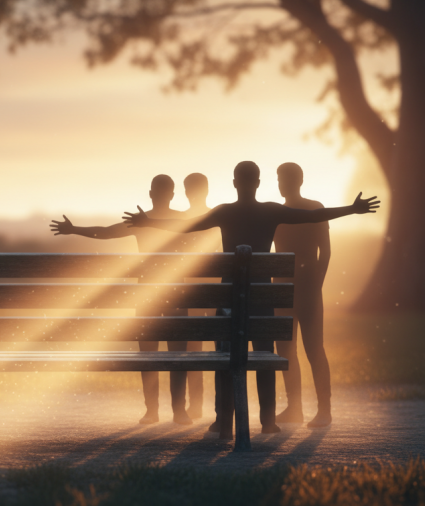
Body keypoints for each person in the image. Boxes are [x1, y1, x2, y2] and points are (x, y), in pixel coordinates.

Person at [122, 161, 379, 434]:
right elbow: (314, 216)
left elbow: (186, 225)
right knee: (265, 353)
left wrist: (149, 222)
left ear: (235, 183)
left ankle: (224, 419)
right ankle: (268, 420)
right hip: (262, 297)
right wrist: (352, 209)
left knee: (224, 354)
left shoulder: (224, 212)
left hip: (229, 298)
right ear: (258, 183)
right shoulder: (271, 211)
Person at [50, 175, 193, 425]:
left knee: (148, 352)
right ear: (172, 195)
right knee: (178, 353)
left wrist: (74, 229)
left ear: (151, 194)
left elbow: (106, 233)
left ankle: (152, 411)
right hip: (176, 292)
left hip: (146, 291)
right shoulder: (180, 220)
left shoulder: (140, 221)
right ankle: (179, 411)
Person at [273, 162, 333, 428]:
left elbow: (326, 252)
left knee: (312, 349)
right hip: (292, 288)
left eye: (283, 179)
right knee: (288, 350)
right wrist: (316, 284)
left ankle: (323, 410)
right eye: (279, 179)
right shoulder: (308, 209)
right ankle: (296, 408)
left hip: (296, 287)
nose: (281, 184)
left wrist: (316, 284)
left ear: (298, 181)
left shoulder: (286, 212)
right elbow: (325, 252)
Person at [177, 173, 223, 419]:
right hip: (216, 289)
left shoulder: (180, 220)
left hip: (191, 289)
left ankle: (195, 404)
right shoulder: (218, 218)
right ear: (207, 191)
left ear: (186, 192)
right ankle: (219, 407)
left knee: (193, 348)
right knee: (219, 348)